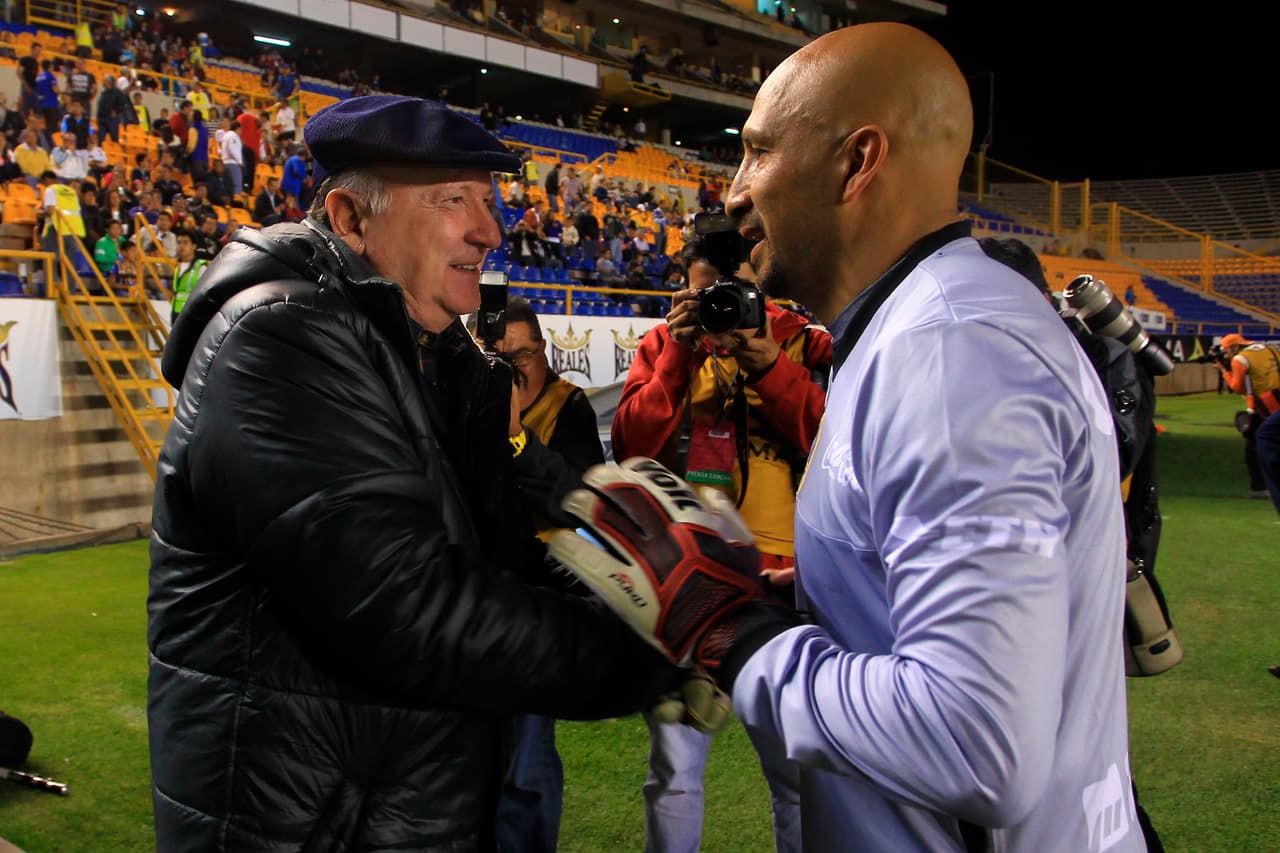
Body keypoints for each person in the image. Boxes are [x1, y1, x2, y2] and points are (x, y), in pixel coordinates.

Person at [550, 23, 1145, 852]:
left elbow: (976, 742)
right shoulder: (928, 327)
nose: (732, 192)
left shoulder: (948, 351)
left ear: (857, 162)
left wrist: (732, 631)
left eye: (758, 152)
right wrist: (790, 593)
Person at [147, 94, 692, 851]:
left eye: (490, 200)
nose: (490, 230)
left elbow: (501, 548)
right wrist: (645, 655)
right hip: (308, 823)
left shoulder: (439, 355)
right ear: (349, 217)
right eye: (452, 200)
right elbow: (406, 605)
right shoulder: (279, 340)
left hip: (397, 801)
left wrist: (659, 603)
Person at [612, 233, 830, 853]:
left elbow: (832, 442)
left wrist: (766, 362)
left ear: (759, 286)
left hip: (787, 579)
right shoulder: (664, 342)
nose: (720, 304)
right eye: (703, 291)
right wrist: (678, 360)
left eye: (734, 291)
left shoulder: (804, 343)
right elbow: (632, 447)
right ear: (685, 285)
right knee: (676, 773)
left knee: (796, 773)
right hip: (692, 578)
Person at [492, 297, 607, 852]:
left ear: (544, 351)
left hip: (536, 598)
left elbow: (579, 499)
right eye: (498, 356)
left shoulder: (570, 406)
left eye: (523, 354)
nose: (513, 367)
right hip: (475, 590)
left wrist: (516, 438)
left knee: (527, 758)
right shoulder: (465, 403)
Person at [1217, 332, 1280, 502]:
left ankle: (1260, 487)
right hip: (1278, 401)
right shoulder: (1270, 349)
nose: (1225, 354)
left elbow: (1238, 388)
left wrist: (1225, 372)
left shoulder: (1240, 359)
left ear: (1235, 347)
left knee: (1255, 447)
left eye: (1226, 350)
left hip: (1262, 408)